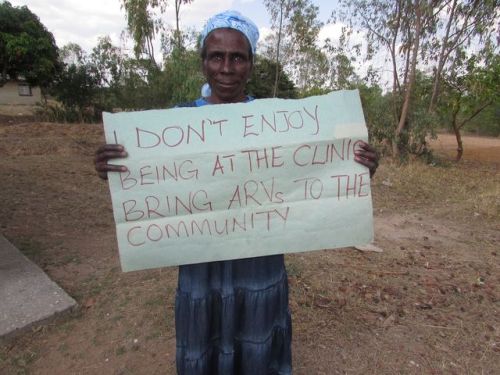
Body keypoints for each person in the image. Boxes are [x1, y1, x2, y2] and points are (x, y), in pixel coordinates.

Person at [95, 10, 379, 375]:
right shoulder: (173, 122)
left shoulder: (276, 121)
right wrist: (113, 169)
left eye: (237, 57)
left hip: (259, 266)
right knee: (204, 338)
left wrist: (357, 163)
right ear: (203, 62)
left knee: (258, 340)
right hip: (201, 268)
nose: (226, 67)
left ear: (250, 64)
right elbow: (147, 177)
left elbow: (318, 166)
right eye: (216, 56)